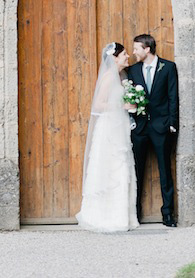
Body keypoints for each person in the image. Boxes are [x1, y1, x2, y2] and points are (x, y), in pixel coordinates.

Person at [76, 42, 138, 232]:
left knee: (121, 166)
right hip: (109, 129)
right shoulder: (109, 77)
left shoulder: (121, 77)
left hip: (119, 127)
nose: (128, 56)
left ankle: (123, 216)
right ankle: (106, 216)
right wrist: (122, 106)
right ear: (114, 57)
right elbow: (99, 105)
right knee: (109, 168)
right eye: (124, 54)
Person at [127, 33, 179, 227]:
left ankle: (168, 214)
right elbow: (128, 98)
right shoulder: (133, 71)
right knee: (136, 172)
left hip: (161, 127)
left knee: (165, 171)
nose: (134, 53)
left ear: (147, 49)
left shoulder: (168, 68)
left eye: (136, 49)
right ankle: (135, 214)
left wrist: (172, 123)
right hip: (140, 129)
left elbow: (173, 97)